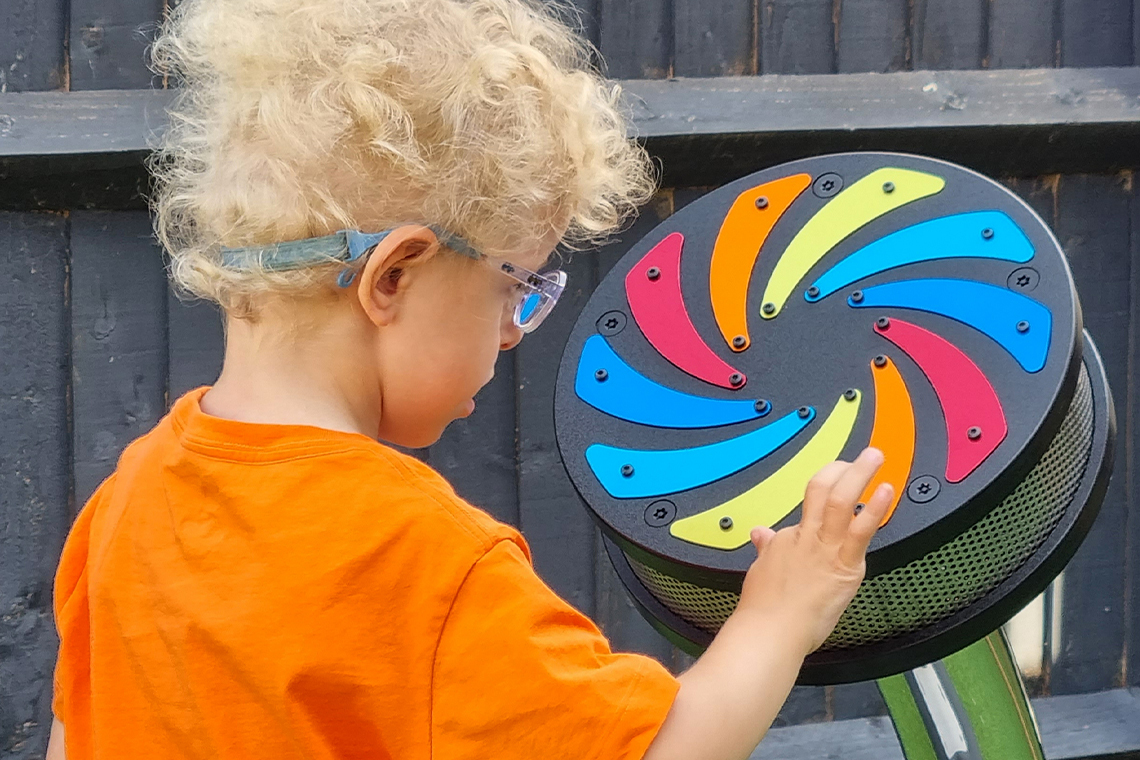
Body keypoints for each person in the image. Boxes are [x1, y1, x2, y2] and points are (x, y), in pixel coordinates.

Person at [47, 1, 894, 758]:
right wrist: (782, 615)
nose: (512, 332)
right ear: (393, 278)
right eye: (515, 286)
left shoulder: (126, 505)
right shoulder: (424, 559)